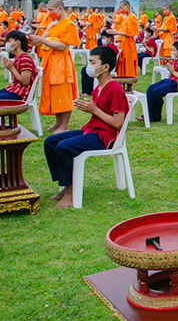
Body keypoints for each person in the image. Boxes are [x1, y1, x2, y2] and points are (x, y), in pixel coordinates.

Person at [43, 46, 129, 208]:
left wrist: (94, 109)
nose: (88, 66)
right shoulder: (97, 88)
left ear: (105, 67)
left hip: (106, 137)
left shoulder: (115, 89)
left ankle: (71, 193)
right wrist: (88, 108)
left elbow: (118, 123)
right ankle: (64, 185)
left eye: (92, 62)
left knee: (64, 147)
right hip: (92, 130)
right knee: (51, 142)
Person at [29, 0, 81, 134]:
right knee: (54, 93)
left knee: (63, 93)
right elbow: (44, 40)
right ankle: (58, 122)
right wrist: (34, 40)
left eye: (51, 10)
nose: (48, 13)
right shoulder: (53, 24)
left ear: (60, 9)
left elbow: (63, 45)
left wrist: (42, 40)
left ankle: (65, 125)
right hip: (49, 63)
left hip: (61, 63)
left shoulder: (68, 24)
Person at [144, 41, 178, 124]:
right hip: (171, 81)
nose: (172, 52)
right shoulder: (176, 60)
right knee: (150, 88)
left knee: (157, 92)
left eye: (174, 51)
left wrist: (173, 71)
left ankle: (155, 116)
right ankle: (148, 114)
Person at [0, 31, 38, 101]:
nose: (7, 44)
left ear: (18, 43)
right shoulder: (18, 58)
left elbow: (25, 82)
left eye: (9, 41)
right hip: (13, 89)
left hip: (20, 93)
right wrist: (10, 67)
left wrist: (12, 68)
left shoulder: (25, 59)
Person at [108, 0, 138, 78]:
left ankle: (129, 85)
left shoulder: (132, 17)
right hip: (122, 44)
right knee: (122, 64)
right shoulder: (126, 18)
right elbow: (122, 29)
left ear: (127, 7)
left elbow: (130, 33)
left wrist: (115, 33)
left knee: (128, 64)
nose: (120, 10)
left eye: (121, 8)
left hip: (128, 44)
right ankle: (122, 84)